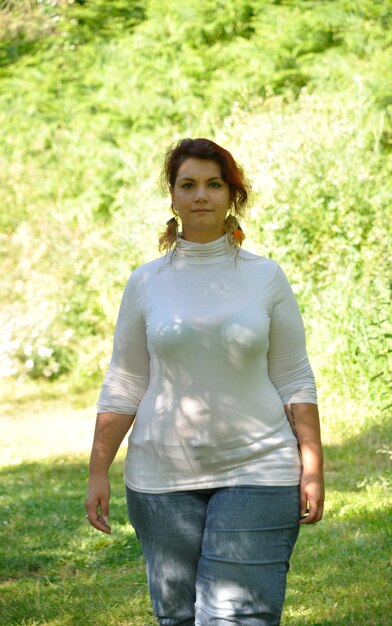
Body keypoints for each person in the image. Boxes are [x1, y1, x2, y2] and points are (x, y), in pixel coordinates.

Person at [85, 137, 324, 626]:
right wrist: (97, 469)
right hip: (161, 479)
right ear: (172, 197)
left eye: (214, 184)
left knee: (238, 617)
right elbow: (126, 381)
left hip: (259, 469)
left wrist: (313, 465)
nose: (200, 196)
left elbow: (294, 377)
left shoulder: (266, 278)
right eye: (188, 184)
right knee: (177, 617)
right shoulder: (146, 282)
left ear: (231, 195)